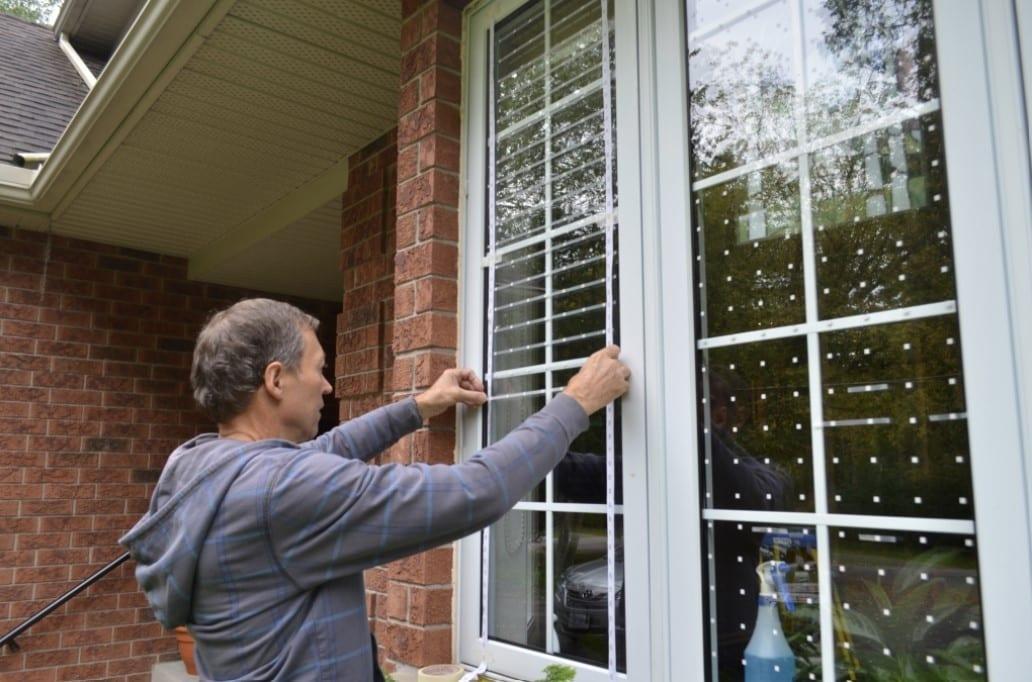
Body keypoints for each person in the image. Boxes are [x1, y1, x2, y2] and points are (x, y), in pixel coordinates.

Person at [119, 298, 629, 682]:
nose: (328, 386)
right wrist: (575, 403)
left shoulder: (202, 467)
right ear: (276, 379)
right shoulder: (279, 491)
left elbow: (329, 449)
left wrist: (420, 407)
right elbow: (475, 491)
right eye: (319, 369)